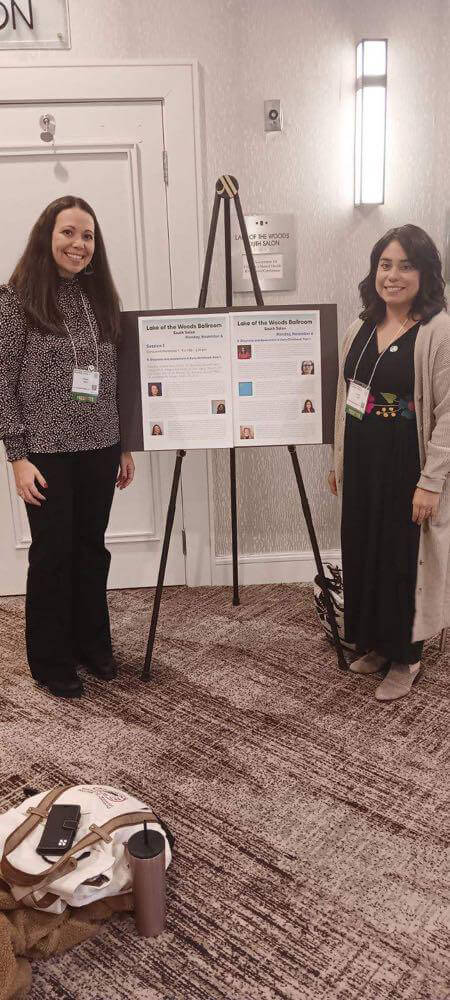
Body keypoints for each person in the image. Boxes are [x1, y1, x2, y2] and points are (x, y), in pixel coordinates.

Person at [0, 195, 135, 699]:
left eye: (88, 235)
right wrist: (17, 456)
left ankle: (91, 644)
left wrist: (124, 445)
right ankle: (51, 660)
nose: (79, 244)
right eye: (69, 232)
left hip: (100, 445)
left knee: (90, 549)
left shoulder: (101, 299)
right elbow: (3, 381)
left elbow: (114, 376)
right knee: (53, 553)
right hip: (46, 451)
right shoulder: (15, 299)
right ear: (47, 235)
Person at [329, 224, 450, 701]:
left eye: (405, 266)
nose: (392, 275)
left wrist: (431, 482)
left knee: (402, 558)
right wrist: (338, 459)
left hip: (406, 460)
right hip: (362, 457)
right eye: (385, 264)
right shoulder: (360, 326)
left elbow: (448, 412)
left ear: (425, 274)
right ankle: (377, 643)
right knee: (364, 548)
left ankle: (406, 657)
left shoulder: (438, 331)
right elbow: (345, 398)